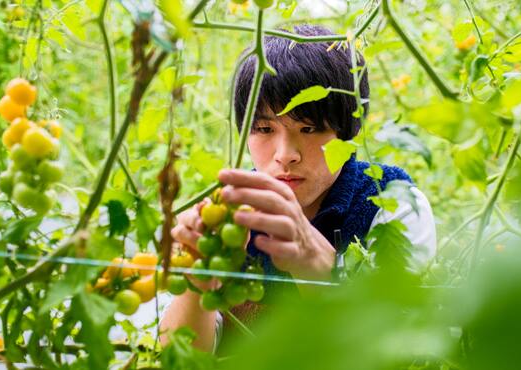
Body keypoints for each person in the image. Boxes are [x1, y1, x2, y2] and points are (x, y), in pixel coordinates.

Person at [160, 24, 436, 352]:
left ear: (349, 130)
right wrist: (198, 276)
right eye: (263, 128)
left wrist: (317, 263)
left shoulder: (391, 202)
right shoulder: (230, 211)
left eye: (309, 127)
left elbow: (392, 347)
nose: (285, 155)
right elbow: (178, 357)